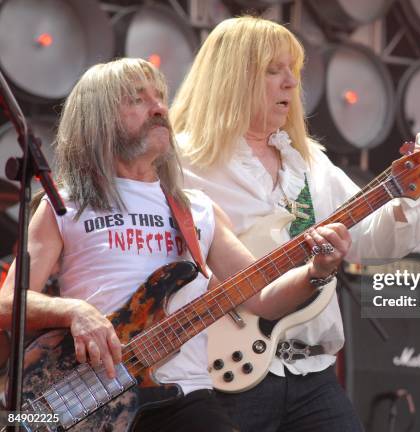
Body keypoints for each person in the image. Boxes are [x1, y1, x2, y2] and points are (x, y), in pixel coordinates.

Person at [0, 58, 351, 432]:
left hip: (184, 397)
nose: (159, 108)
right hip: (87, 391)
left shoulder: (196, 208)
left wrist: (317, 271)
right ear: (98, 119)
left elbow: (262, 298)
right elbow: (8, 304)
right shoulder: (65, 205)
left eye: (161, 98)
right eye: (138, 100)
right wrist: (74, 312)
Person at [170, 16, 420, 432]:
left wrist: (409, 196)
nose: (290, 83)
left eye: (293, 71)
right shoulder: (181, 161)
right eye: (273, 71)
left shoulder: (307, 162)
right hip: (223, 371)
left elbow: (372, 240)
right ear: (231, 79)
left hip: (311, 372)